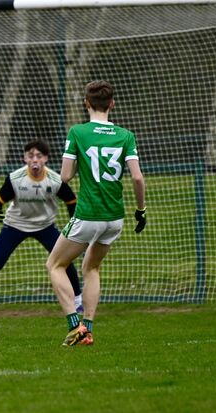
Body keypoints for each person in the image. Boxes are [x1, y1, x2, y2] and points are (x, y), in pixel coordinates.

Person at [46, 80, 146, 346]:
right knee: (92, 268)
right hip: (115, 217)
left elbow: (65, 176)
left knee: (55, 265)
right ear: (112, 104)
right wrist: (141, 210)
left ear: (86, 103)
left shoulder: (78, 132)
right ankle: (87, 328)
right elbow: (137, 178)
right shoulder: (126, 135)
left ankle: (74, 325)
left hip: (88, 214)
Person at [0, 139, 83, 317]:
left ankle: (78, 303)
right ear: (24, 158)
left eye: (39, 156)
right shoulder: (15, 179)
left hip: (45, 226)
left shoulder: (55, 180)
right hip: (15, 225)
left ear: (46, 159)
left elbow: (72, 203)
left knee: (64, 262)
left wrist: (76, 231)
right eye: (30, 156)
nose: (34, 160)